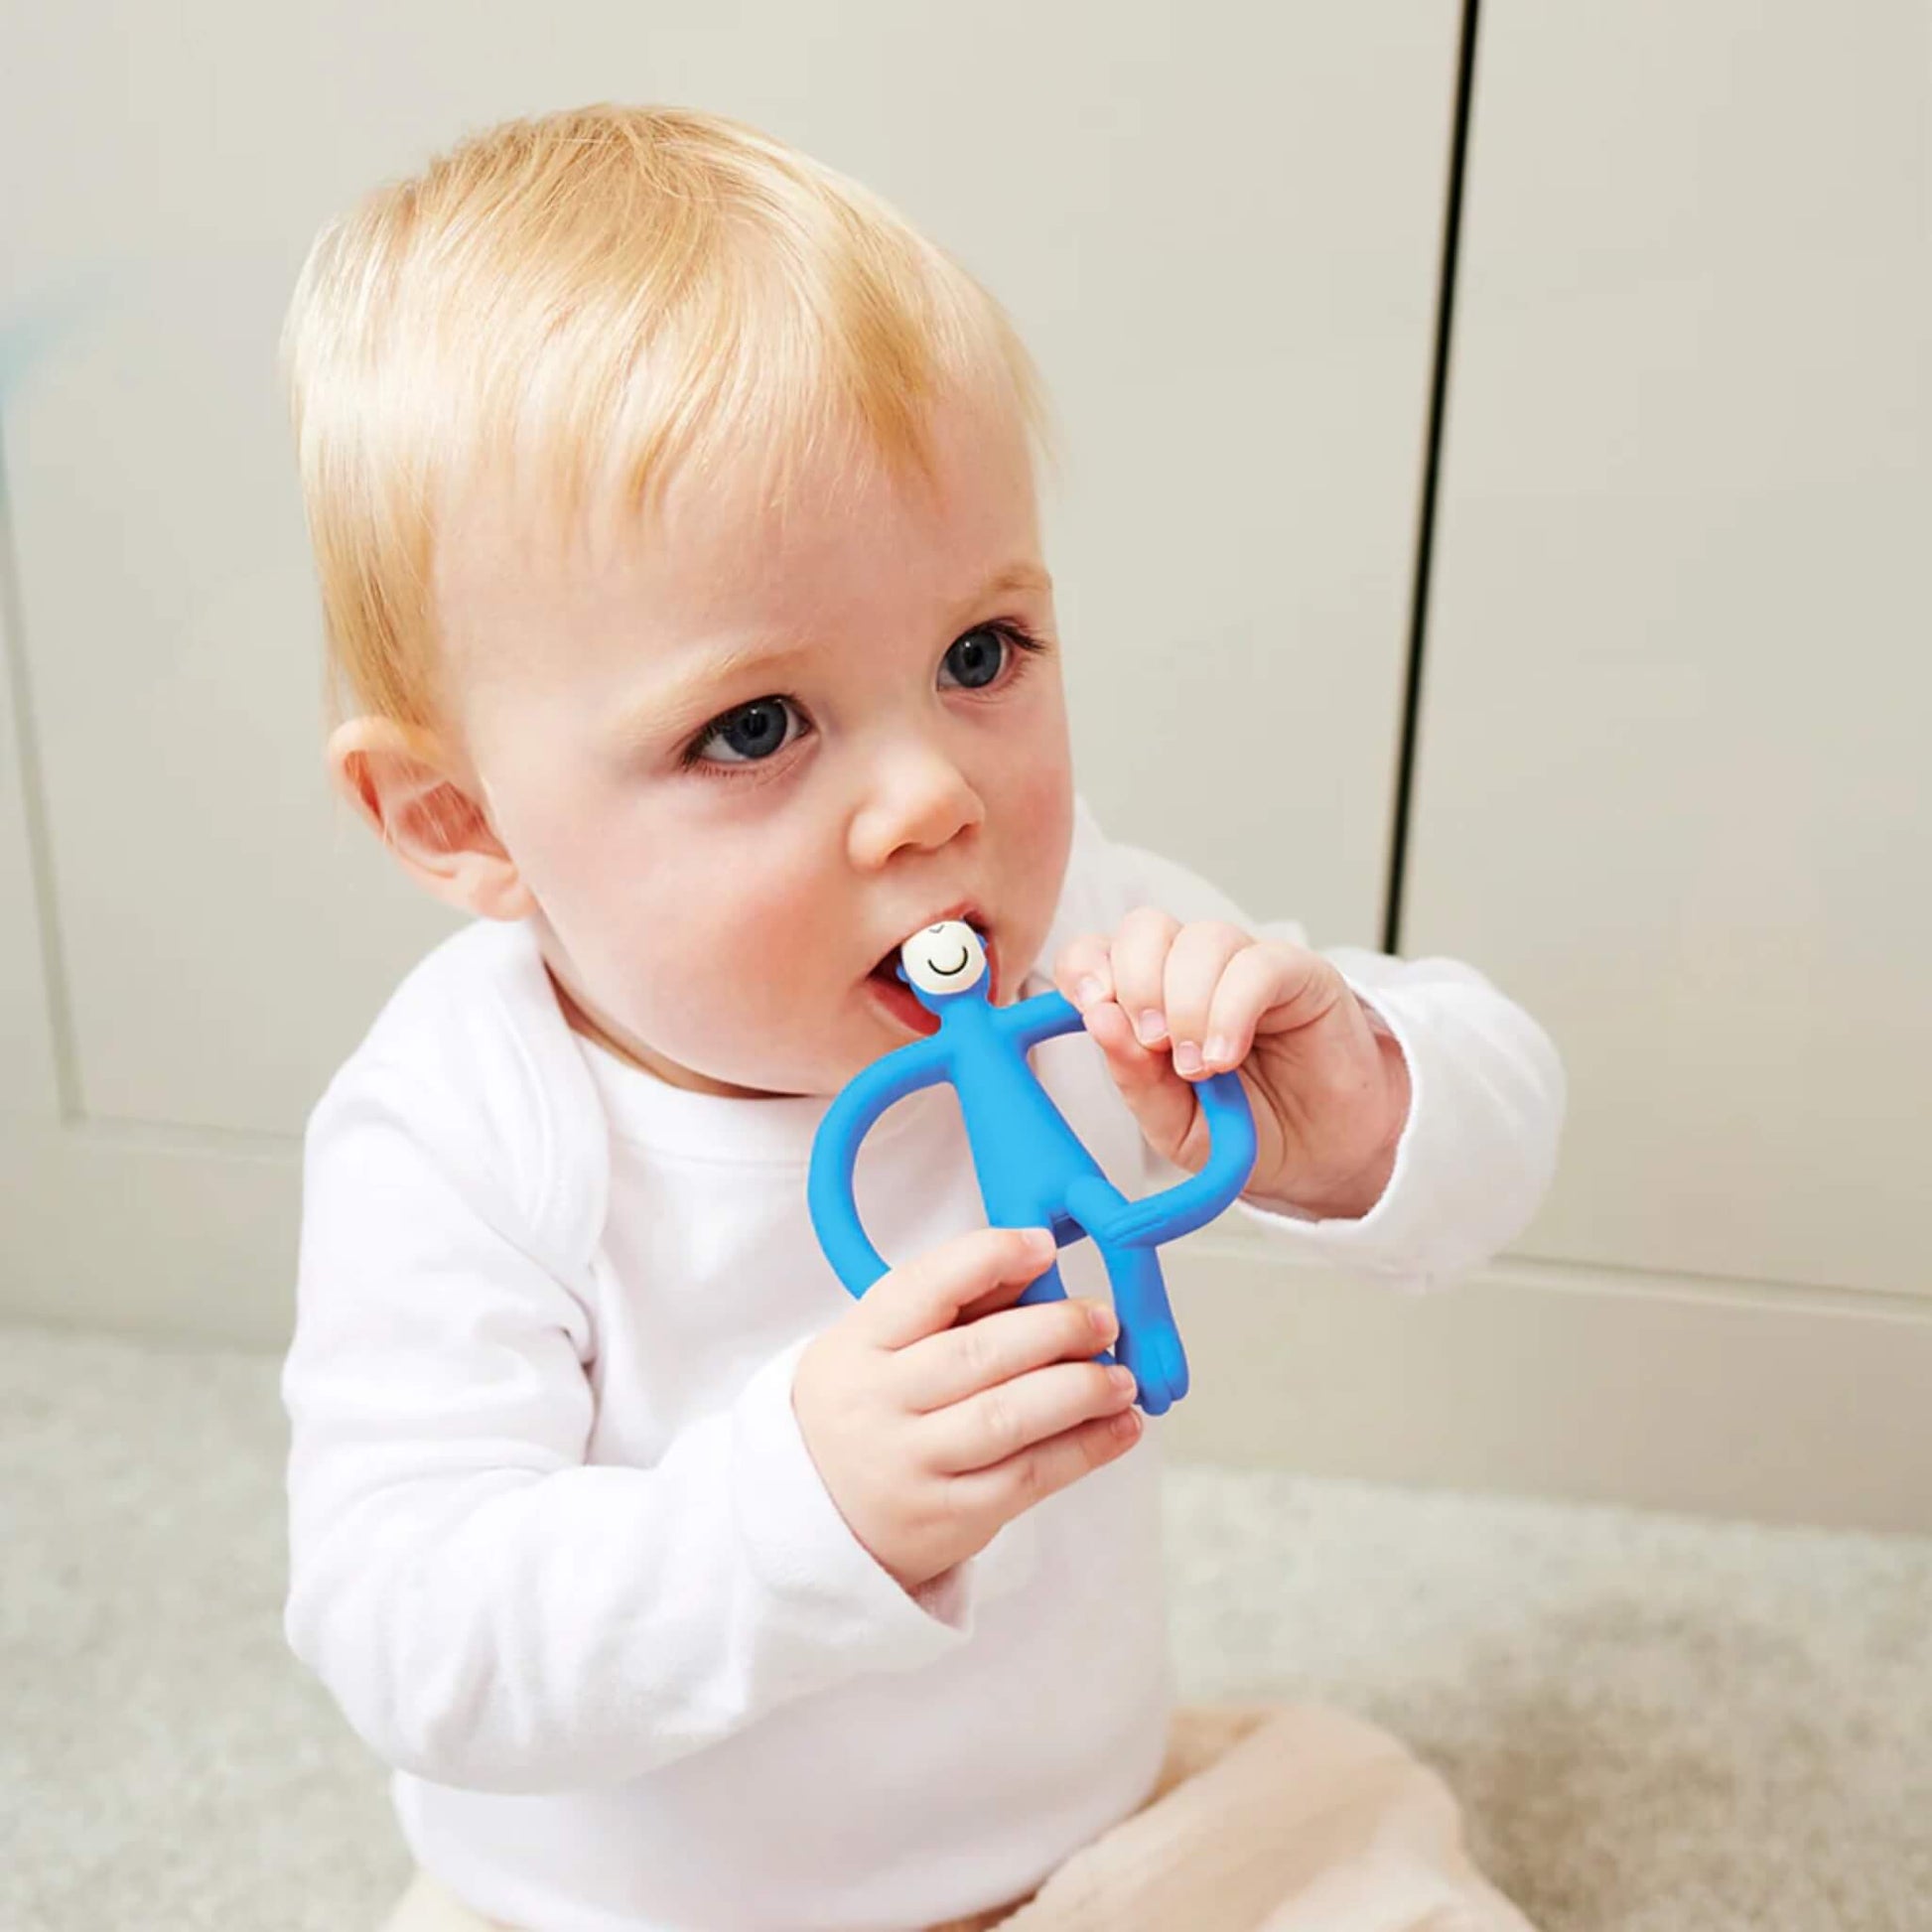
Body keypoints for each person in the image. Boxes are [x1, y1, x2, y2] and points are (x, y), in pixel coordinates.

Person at [279, 102, 1565, 1932]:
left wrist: (1348, 1102)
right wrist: (799, 1506)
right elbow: (410, 1630)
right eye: (754, 727)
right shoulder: (460, 1120)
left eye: (980, 658)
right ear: (463, 822)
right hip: (622, 1911)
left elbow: (1502, 1128)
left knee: (1357, 1858)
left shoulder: (1087, 939)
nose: (929, 802)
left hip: (1084, 1844)